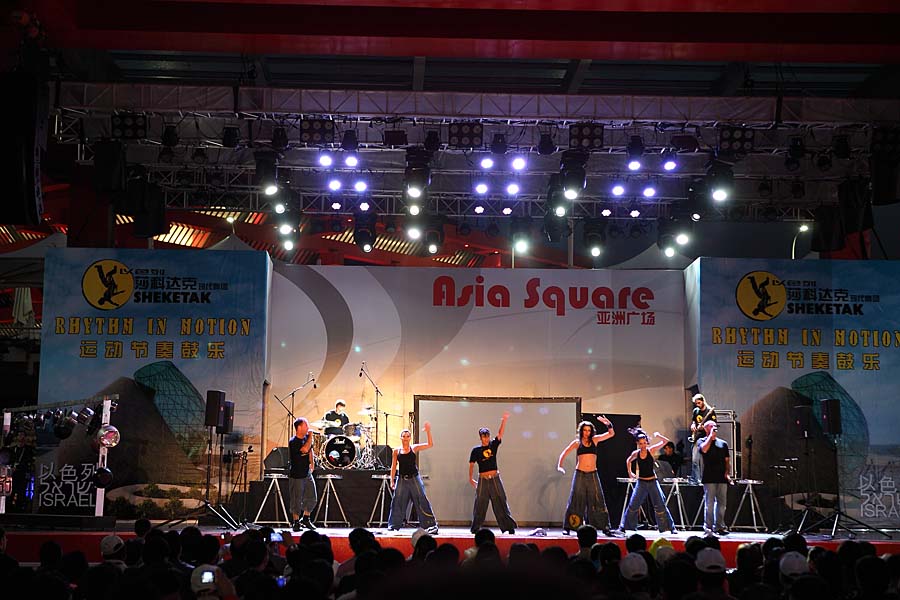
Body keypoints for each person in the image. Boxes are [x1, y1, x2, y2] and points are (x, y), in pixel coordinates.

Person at [557, 417, 617, 536]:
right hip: (580, 473)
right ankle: (568, 527)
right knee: (576, 499)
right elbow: (564, 452)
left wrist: (608, 424)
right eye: (585, 430)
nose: (587, 433)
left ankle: (604, 527)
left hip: (593, 474)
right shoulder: (577, 443)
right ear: (581, 431)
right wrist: (560, 466)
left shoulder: (595, 440)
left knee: (598, 499)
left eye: (589, 430)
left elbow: (611, 434)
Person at [617, 428, 677, 534]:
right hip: (641, 483)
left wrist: (658, 435)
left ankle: (671, 528)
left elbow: (666, 441)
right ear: (638, 444)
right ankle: (624, 526)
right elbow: (628, 460)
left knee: (660, 504)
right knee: (633, 504)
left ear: (647, 443)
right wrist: (630, 472)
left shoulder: (651, 450)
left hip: (653, 482)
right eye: (641, 443)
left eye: (644, 443)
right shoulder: (636, 453)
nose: (643, 445)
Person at [468, 412, 517, 535]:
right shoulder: (476, 450)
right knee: (480, 503)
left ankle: (508, 527)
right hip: (483, 480)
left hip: (494, 478)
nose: (485, 438)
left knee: (500, 501)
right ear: (480, 437)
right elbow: (471, 464)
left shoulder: (493, 446)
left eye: (487, 436)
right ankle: (475, 528)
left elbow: (500, 434)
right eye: (483, 436)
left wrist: (504, 420)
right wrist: (470, 478)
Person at [387, 422, 439, 534]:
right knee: (398, 501)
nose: (406, 438)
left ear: (410, 438)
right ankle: (393, 526)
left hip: (414, 478)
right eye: (404, 436)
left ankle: (431, 525)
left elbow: (430, 444)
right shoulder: (396, 451)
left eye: (407, 436)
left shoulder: (414, 448)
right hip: (401, 479)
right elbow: (393, 466)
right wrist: (392, 481)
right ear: (401, 438)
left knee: (421, 499)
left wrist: (428, 431)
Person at [698, 420, 731, 535]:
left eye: (715, 426)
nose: (714, 428)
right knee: (709, 504)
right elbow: (704, 450)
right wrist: (710, 437)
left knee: (722, 504)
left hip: (721, 478)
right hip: (709, 477)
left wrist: (727, 473)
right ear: (706, 428)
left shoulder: (723, 443)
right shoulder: (702, 441)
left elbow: (727, 460)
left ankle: (719, 526)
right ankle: (708, 527)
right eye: (711, 426)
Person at [289, 417, 318, 532]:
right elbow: (305, 449)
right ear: (299, 427)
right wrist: (310, 437)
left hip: (307, 473)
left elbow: (310, 451)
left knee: (312, 496)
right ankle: (296, 522)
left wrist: (312, 464)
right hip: (297, 474)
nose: (308, 428)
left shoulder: (307, 439)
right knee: (296, 499)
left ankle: (306, 518)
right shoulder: (293, 441)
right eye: (306, 425)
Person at [689, 393, 717, 482]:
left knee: (706, 460)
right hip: (697, 437)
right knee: (695, 460)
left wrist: (704, 428)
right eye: (696, 403)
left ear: (703, 401)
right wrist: (693, 425)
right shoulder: (696, 411)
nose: (697, 405)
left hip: (706, 438)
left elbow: (714, 425)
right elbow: (694, 421)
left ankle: (706, 479)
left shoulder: (710, 411)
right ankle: (696, 479)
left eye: (699, 403)